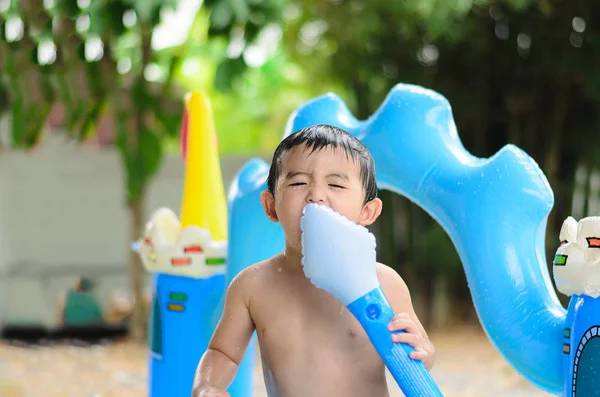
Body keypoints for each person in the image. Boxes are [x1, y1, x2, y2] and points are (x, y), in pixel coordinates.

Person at [193, 124, 435, 397]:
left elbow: (417, 355)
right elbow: (223, 352)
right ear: (271, 206)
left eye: (335, 184)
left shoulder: (384, 283)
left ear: (368, 211)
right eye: (298, 183)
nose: (316, 195)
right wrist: (208, 386)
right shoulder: (252, 286)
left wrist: (422, 352)